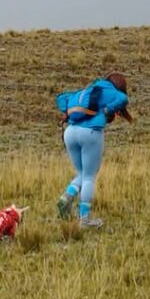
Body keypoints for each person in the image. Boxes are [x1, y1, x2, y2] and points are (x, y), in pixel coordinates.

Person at [55, 72, 132, 228]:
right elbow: (124, 99)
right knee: (89, 176)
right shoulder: (109, 89)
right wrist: (107, 110)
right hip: (90, 133)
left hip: (70, 132)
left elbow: (62, 99)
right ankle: (85, 220)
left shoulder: (90, 89)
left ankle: (66, 198)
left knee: (82, 173)